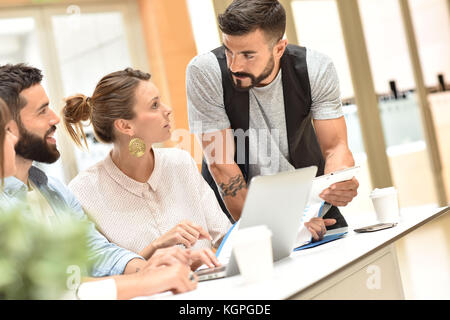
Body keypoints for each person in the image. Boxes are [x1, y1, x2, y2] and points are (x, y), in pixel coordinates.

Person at [0, 63, 196, 283]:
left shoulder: (54, 191)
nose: (55, 118)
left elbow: (96, 252)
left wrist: (150, 269)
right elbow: (47, 285)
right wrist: (145, 281)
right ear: (8, 128)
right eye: (42, 110)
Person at [186, 0, 359, 240]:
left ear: (279, 48)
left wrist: (339, 179)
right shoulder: (205, 72)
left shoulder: (315, 67)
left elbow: (336, 147)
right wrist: (278, 231)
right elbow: (221, 165)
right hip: (240, 211)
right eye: (228, 51)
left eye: (248, 55)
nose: (234, 65)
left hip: (309, 206)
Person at [63, 68, 231, 270]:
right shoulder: (83, 192)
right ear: (125, 126)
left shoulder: (180, 162)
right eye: (154, 105)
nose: (167, 109)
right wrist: (156, 246)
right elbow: (103, 277)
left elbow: (225, 236)